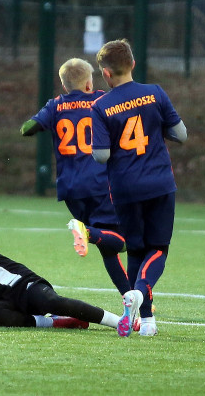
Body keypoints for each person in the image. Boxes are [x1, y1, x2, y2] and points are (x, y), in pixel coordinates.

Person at [90, 39, 188, 337]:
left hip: (125, 189)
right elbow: (181, 134)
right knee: (158, 248)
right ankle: (141, 292)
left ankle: (146, 322)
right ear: (132, 64)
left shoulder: (100, 106)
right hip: (159, 183)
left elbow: (101, 156)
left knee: (135, 250)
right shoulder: (155, 92)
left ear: (106, 73)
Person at [20, 58, 131, 298]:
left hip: (71, 189)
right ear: (90, 83)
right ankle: (87, 232)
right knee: (122, 241)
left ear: (64, 86)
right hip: (101, 184)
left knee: (107, 246)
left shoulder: (55, 105)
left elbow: (27, 128)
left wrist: (44, 118)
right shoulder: (101, 99)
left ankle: (129, 296)